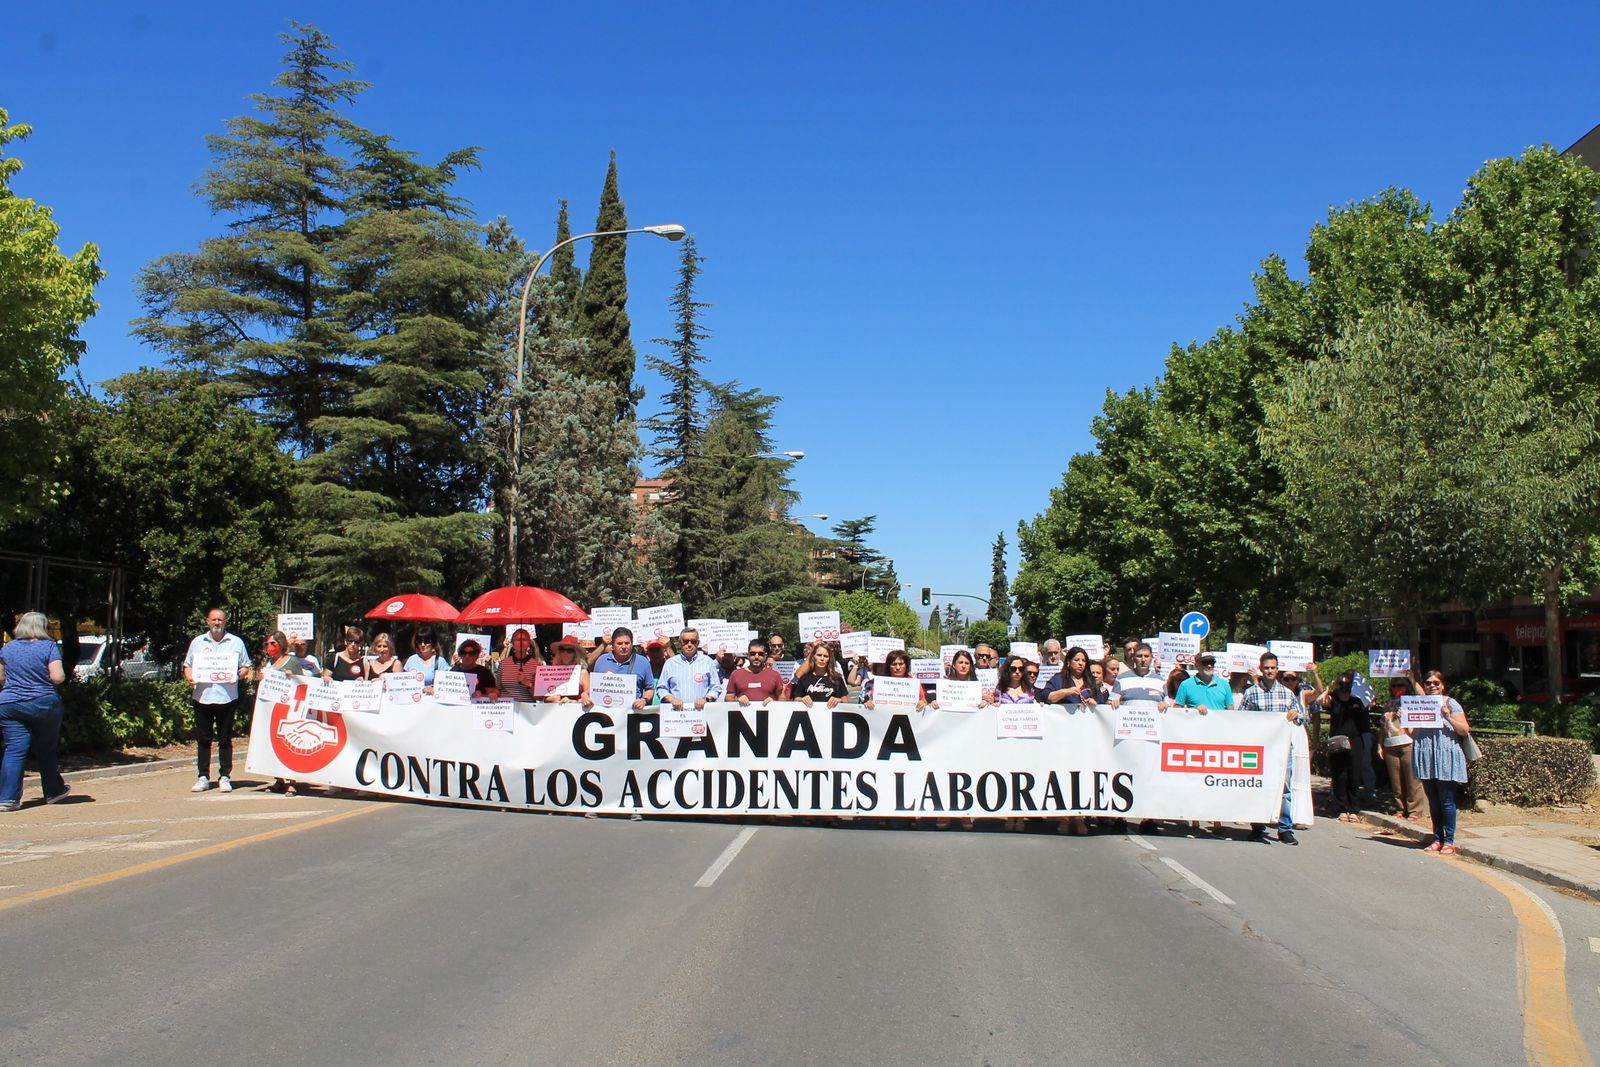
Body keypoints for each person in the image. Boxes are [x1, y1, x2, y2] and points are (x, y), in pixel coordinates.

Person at [0, 612, 69, 811]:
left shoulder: (8, 648)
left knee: (14, 749)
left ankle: (7, 799)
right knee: (45, 749)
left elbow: (1, 678)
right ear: (42, 627)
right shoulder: (48, 646)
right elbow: (57, 677)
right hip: (43, 703)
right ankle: (53, 791)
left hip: (9, 704)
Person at [1240, 652, 1306, 844]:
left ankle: (1285, 829)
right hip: (1259, 751)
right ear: (1261, 669)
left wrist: (1295, 715)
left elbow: (1301, 718)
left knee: (1284, 789)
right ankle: (1257, 826)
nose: (1270, 671)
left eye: (1273, 668)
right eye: (1266, 668)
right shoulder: (1251, 693)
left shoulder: (1287, 693)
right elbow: (1242, 719)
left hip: (1283, 750)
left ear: (1278, 669)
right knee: (1258, 787)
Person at [182, 607, 251, 793]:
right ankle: (203, 776)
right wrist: (189, 677)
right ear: (207, 622)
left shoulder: (236, 642)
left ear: (225, 622)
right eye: (214, 620)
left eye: (220, 620)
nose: (217, 623)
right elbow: (187, 666)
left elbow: (246, 666)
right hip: (202, 697)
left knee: (225, 739)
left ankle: (225, 776)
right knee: (203, 739)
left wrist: (237, 675)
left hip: (226, 697)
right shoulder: (197, 642)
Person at [1110, 642, 1170, 833]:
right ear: (1133, 658)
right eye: (1139, 656)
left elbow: (1166, 705)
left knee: (1150, 776)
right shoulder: (1122, 679)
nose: (1143, 660)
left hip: (1151, 740)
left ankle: (1148, 817)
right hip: (1127, 738)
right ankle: (1120, 816)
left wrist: (1163, 706)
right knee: (1124, 775)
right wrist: (1115, 701)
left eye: (1146, 656)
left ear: (1151, 658)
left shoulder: (1160, 681)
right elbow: (1110, 703)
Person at [1411, 670, 1472, 853]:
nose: (1432, 686)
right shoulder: (1420, 704)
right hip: (1427, 756)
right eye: (1428, 683)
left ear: (1442, 685)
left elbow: (1464, 730)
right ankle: (1437, 838)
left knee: (1446, 801)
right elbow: (1412, 734)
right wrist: (1405, 717)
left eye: (1436, 683)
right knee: (1434, 802)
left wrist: (1447, 716)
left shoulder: (1450, 703)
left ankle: (1449, 840)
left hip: (1445, 755)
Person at [1319, 669, 1370, 822]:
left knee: (1354, 774)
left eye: (1347, 684)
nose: (1344, 687)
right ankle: (1341, 808)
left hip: (1355, 740)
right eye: (1341, 684)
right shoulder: (1333, 698)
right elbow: (1320, 700)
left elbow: (1370, 702)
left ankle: (1353, 808)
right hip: (1337, 739)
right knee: (1339, 774)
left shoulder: (1357, 700)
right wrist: (1330, 685)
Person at [258, 630, 305, 795]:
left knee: (287, 744)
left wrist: (292, 676)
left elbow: (303, 683)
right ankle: (278, 779)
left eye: (273, 643)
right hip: (271, 709)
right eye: (267, 644)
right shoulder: (269, 663)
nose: (270, 647)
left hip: (288, 710)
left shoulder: (291, 661)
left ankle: (292, 781)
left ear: (281, 644)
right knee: (273, 744)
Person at [1379, 676, 1427, 821]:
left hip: (1408, 743)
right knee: (1396, 782)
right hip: (1390, 744)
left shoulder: (1413, 702)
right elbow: (1383, 727)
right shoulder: (1388, 704)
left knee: (1412, 779)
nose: (1397, 689)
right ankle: (1401, 808)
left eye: (1401, 685)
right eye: (1394, 686)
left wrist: (1412, 678)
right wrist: (1379, 744)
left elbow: (1424, 697)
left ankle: (1414, 811)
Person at [658, 629, 724, 710]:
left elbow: (716, 688)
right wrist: (672, 699)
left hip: (701, 713)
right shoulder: (670, 663)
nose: (689, 644)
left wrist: (705, 699)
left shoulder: (708, 662)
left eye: (693, 641)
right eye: (685, 641)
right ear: (680, 642)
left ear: (698, 643)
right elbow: (661, 688)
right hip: (675, 715)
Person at [591, 627, 655, 710]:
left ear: (632, 644)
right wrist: (585, 695)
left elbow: (650, 689)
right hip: (605, 711)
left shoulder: (643, 662)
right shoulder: (601, 660)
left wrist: (644, 700)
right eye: (619, 643)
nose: (624, 646)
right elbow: (593, 686)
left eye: (627, 643)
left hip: (632, 713)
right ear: (613, 645)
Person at [863, 649, 928, 710]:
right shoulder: (880, 683)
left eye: (901, 664)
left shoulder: (914, 683)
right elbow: (871, 700)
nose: (897, 667)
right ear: (888, 666)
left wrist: (922, 703)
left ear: (906, 666)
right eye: (894, 664)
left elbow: (924, 701)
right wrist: (869, 703)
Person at [727, 639, 786, 704]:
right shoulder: (736, 674)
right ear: (748, 655)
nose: (756, 657)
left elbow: (782, 698)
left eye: (760, 654)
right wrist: (737, 700)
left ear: (765, 655)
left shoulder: (775, 675)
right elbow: (728, 698)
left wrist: (774, 702)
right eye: (753, 653)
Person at [792, 642, 848, 708]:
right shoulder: (804, 679)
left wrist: (839, 700)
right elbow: (796, 699)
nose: (822, 659)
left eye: (826, 656)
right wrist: (802, 700)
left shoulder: (837, 678)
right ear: (813, 657)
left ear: (829, 659)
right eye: (819, 655)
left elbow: (845, 700)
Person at [496, 627, 542, 701]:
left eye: (524, 640)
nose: (521, 642)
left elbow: (540, 697)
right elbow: (498, 688)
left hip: (527, 709)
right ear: (513, 643)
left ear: (529, 643)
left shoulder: (536, 666)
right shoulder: (503, 664)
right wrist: (494, 694)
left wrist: (528, 684)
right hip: (506, 708)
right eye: (518, 640)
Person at [541, 637, 591, 705]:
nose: (565, 653)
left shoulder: (582, 672)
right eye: (562, 650)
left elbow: (588, 694)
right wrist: (548, 699)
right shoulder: (551, 672)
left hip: (576, 711)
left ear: (575, 654)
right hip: (554, 711)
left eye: (569, 650)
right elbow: (543, 696)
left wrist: (574, 701)